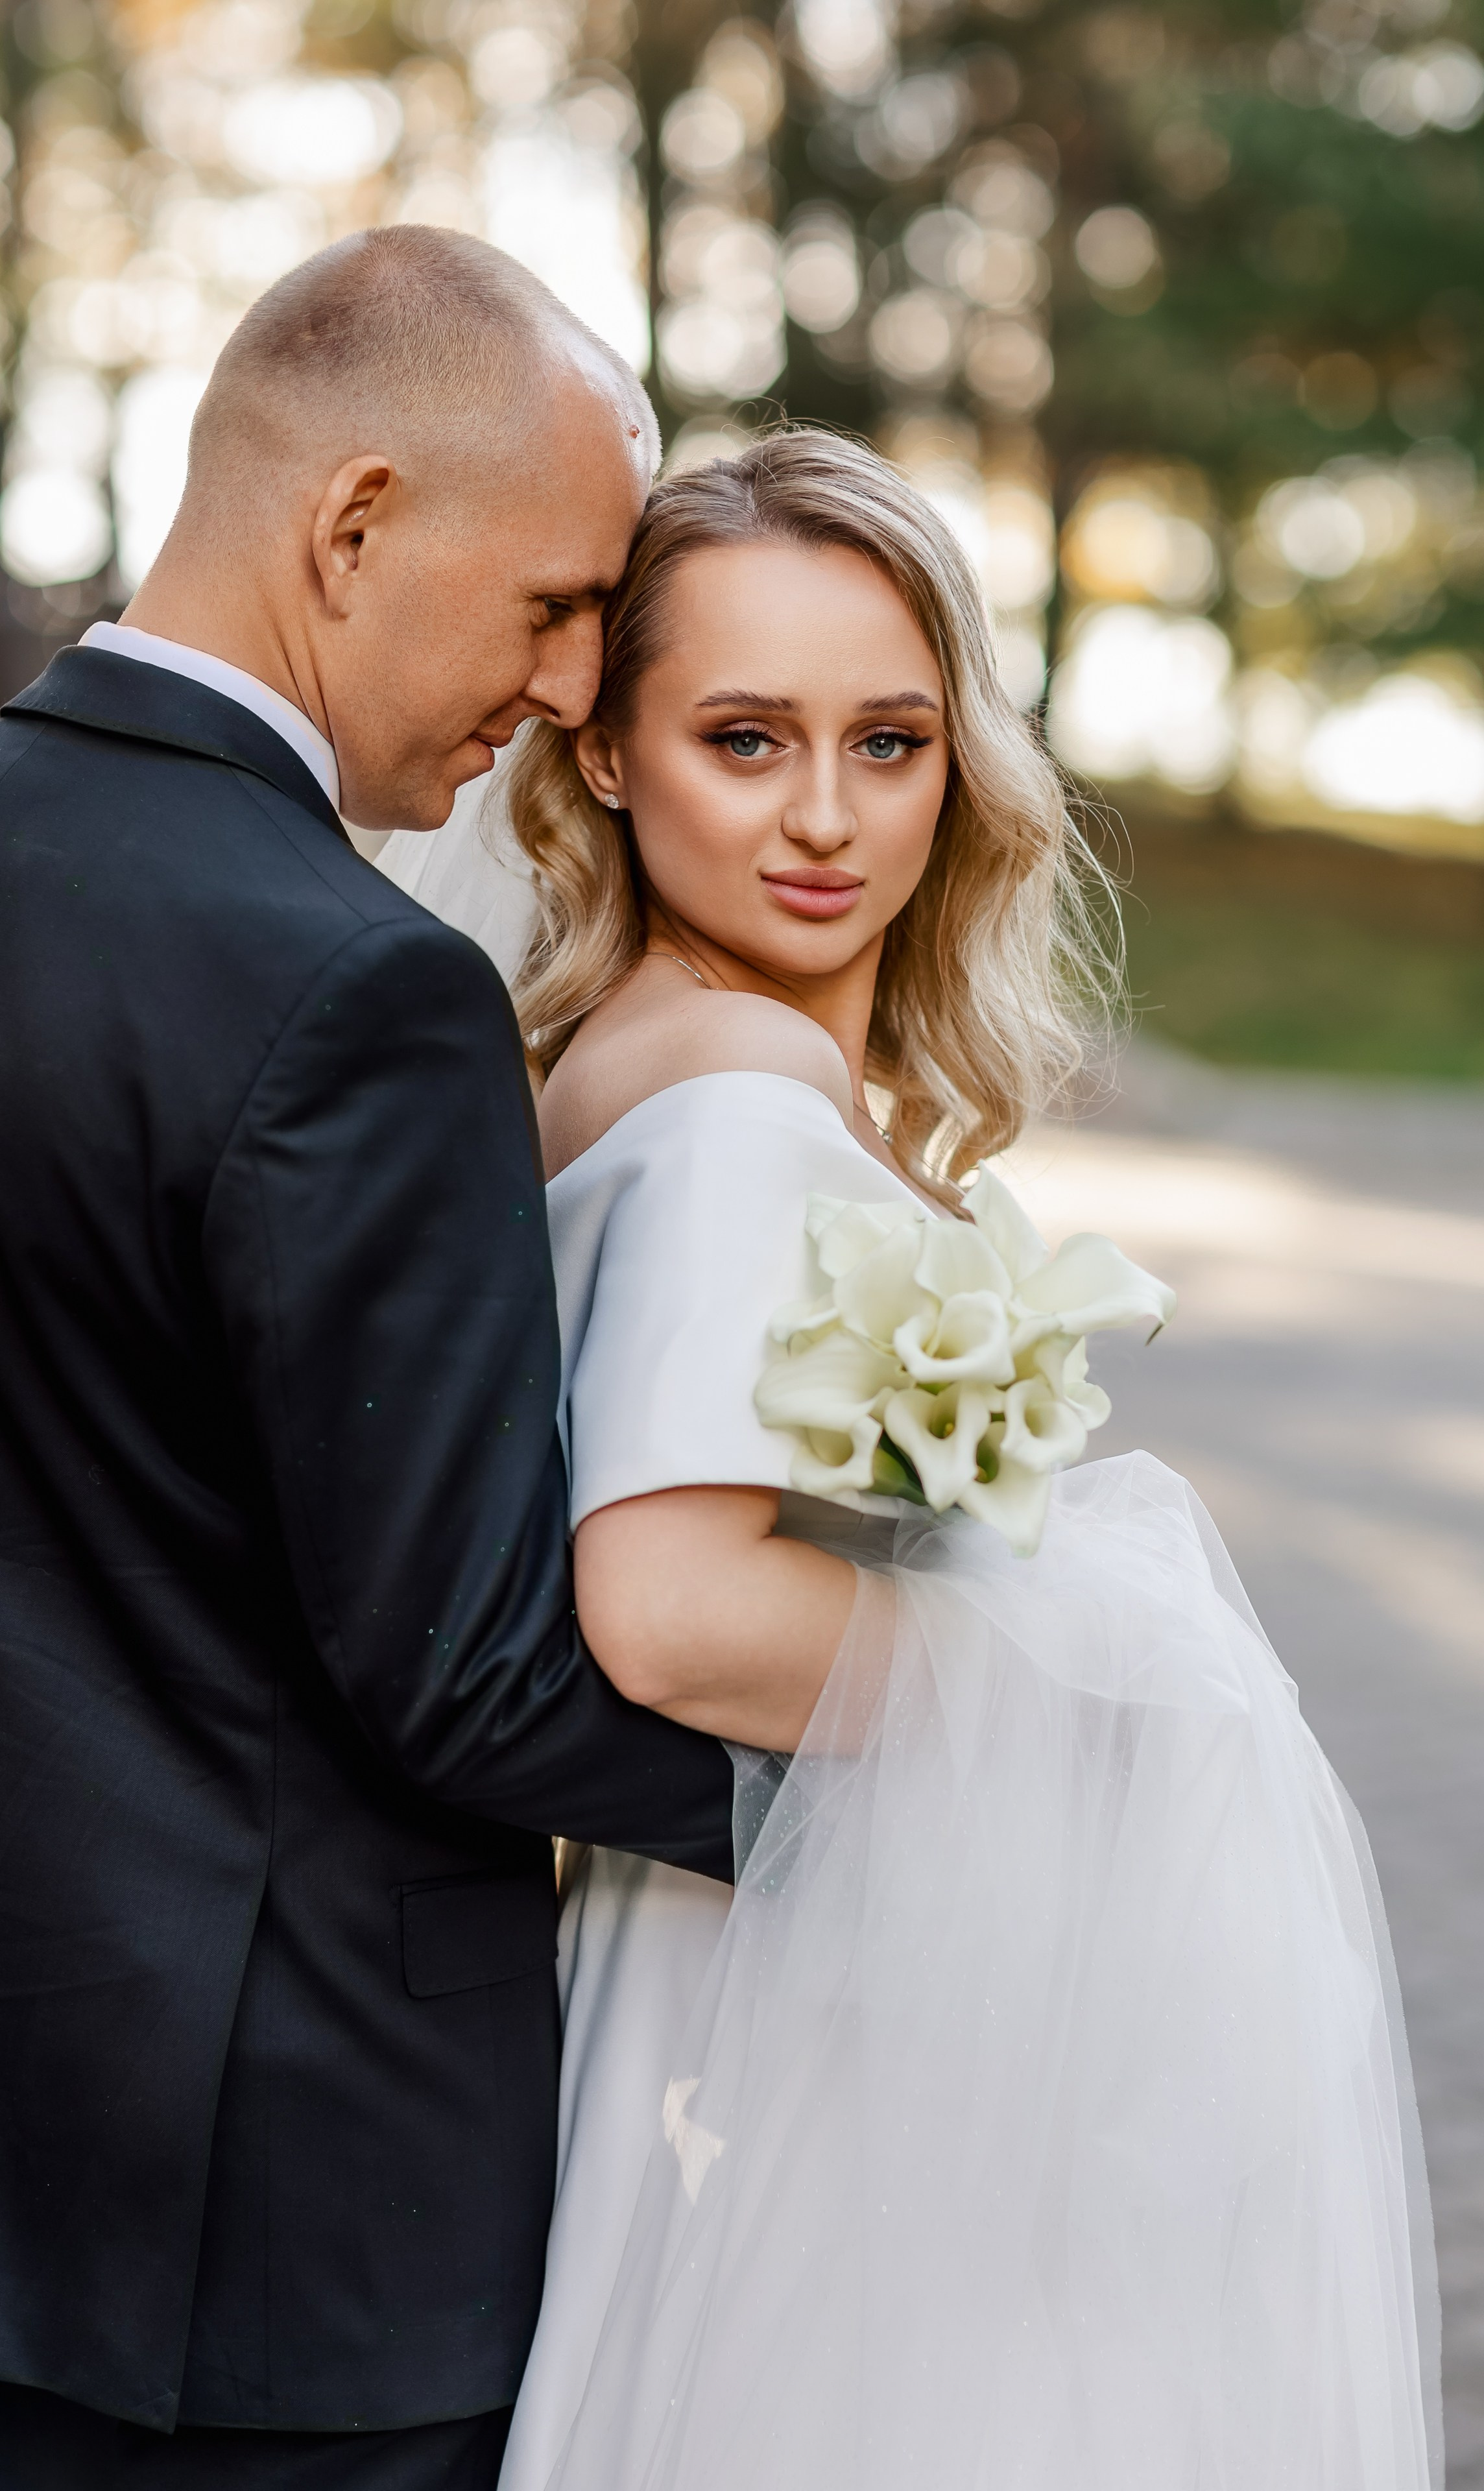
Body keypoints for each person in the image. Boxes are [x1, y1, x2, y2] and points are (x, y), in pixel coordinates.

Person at [407, 431, 1440, 2490]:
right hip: (817, 2019)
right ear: (604, 756)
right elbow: (678, 1611)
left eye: (889, 741)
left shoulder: (622, 1050)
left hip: (804, 1965)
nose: (823, 817)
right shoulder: (731, 1092)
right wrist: (1110, 1689)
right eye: (743, 737)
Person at [0, 226, 736, 2491]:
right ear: (353, 524)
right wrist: (909, 1770)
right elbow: (473, 1678)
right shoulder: (358, 988)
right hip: (308, 2211)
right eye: (547, 603)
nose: (559, 683)